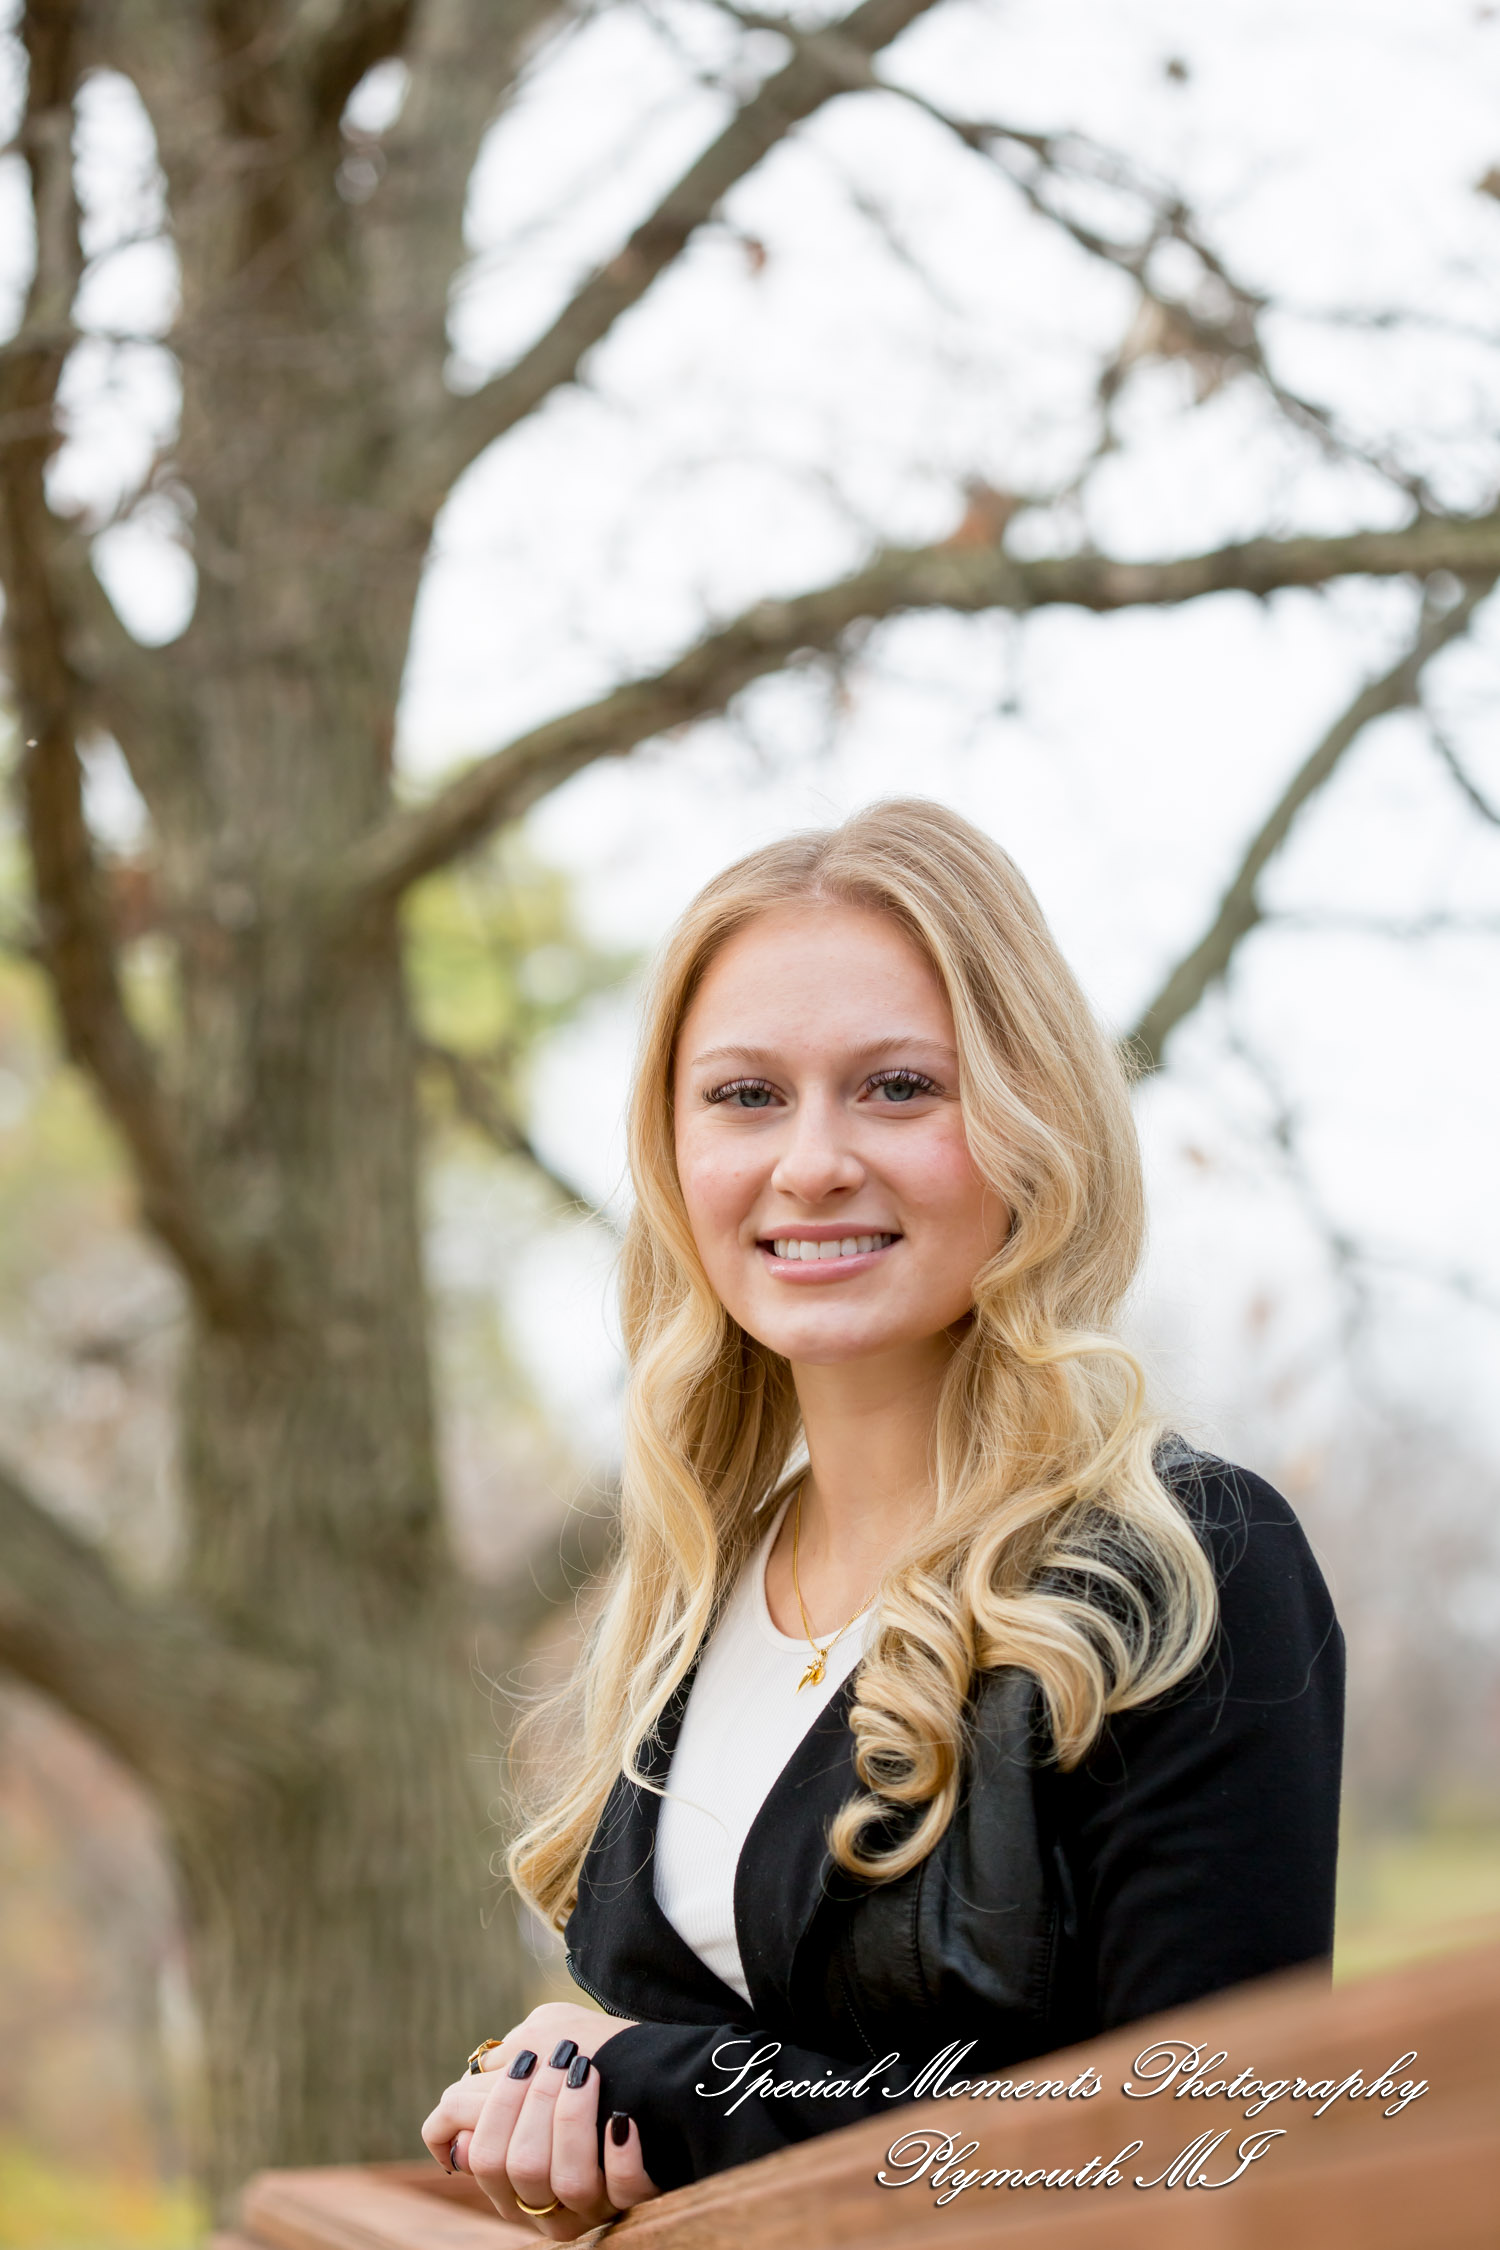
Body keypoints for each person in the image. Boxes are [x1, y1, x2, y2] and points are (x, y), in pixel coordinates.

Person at [421, 800, 1344, 2238]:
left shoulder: (1177, 1567)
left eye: (899, 1086)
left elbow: (1208, 2138)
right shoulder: (684, 1604)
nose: (811, 1162)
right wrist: (553, 2093)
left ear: (1030, 1120)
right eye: (744, 1096)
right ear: (674, 1156)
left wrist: (666, 2092)